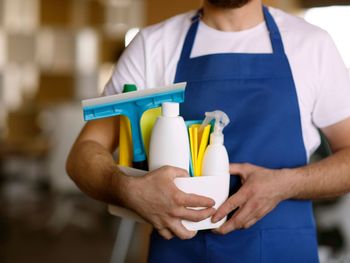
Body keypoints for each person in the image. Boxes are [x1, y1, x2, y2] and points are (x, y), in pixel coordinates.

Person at [66, 0, 350, 262]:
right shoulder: (152, 46)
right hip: (179, 252)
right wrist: (127, 189)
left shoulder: (312, 45)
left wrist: (287, 184)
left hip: (283, 251)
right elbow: (82, 154)